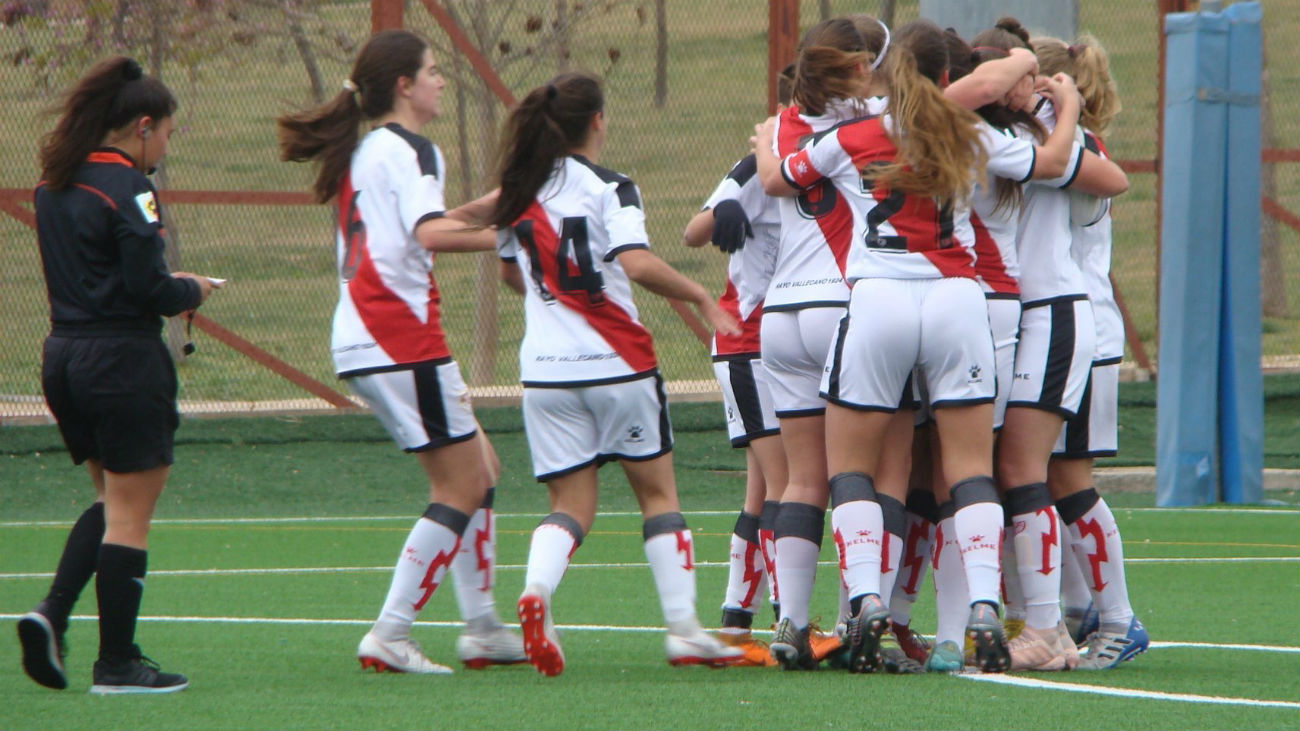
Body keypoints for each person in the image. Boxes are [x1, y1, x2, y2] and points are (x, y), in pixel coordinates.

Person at [755, 19, 1047, 675]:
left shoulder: (852, 136)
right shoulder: (968, 129)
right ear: (945, 78)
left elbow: (785, 179)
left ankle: (864, 598)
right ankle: (982, 605)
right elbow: (1047, 163)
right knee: (968, 466)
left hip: (878, 300)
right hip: (957, 301)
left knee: (850, 465)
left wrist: (768, 149)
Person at [276, 29, 524, 675]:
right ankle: (391, 630)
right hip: (397, 335)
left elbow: (422, 225)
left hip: (366, 335)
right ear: (403, 87)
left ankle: (482, 628)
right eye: (433, 71)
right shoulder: (414, 147)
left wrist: (506, 203)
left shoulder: (368, 151)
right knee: (462, 481)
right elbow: (429, 232)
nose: (442, 80)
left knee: (483, 469)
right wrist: (510, 237)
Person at [489, 72, 744, 677]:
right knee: (657, 495)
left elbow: (510, 274)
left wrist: (551, 301)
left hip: (545, 372)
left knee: (570, 504)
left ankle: (537, 593)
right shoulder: (612, 187)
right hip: (619, 363)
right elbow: (635, 261)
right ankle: (683, 629)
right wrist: (702, 298)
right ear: (598, 121)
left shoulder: (517, 190)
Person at [18, 55, 216, 694]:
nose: (164, 145)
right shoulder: (130, 187)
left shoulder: (54, 184)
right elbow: (148, 287)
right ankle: (118, 664)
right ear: (142, 125)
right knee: (131, 512)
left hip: (65, 357)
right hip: (122, 361)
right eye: (166, 133)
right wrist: (193, 287)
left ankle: (50, 614)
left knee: (110, 500)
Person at [983, 17, 1130, 672]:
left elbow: (1109, 180)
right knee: (1029, 476)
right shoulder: (1016, 133)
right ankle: (1054, 619)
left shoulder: (1058, 136)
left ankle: (1110, 618)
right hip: (1026, 317)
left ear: (1033, 81)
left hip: (1067, 320)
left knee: (1058, 479)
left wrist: (1063, 109)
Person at [1035, 32, 1150, 670]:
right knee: (1046, 478)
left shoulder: (1071, 146)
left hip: (1081, 336)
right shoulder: (1063, 141)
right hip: (1059, 332)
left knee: (1068, 479)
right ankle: (1080, 612)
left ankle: (1118, 618)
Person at [681, 75, 788, 667]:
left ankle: (735, 623)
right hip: (750, 346)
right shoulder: (760, 164)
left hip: (777, 347)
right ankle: (785, 624)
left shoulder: (819, 161)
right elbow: (695, 232)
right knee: (783, 483)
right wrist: (723, 205)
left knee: (762, 487)